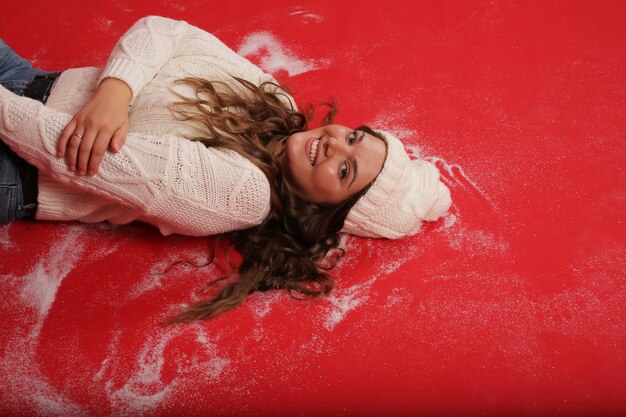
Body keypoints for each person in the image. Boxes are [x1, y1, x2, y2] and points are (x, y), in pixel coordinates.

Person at [0, 16, 451, 322]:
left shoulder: (239, 194)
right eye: (353, 138)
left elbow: (69, 153)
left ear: (325, 210)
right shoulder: (274, 101)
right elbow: (168, 31)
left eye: (346, 172)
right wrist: (116, 91)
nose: (334, 144)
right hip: (26, 80)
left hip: (15, 166)